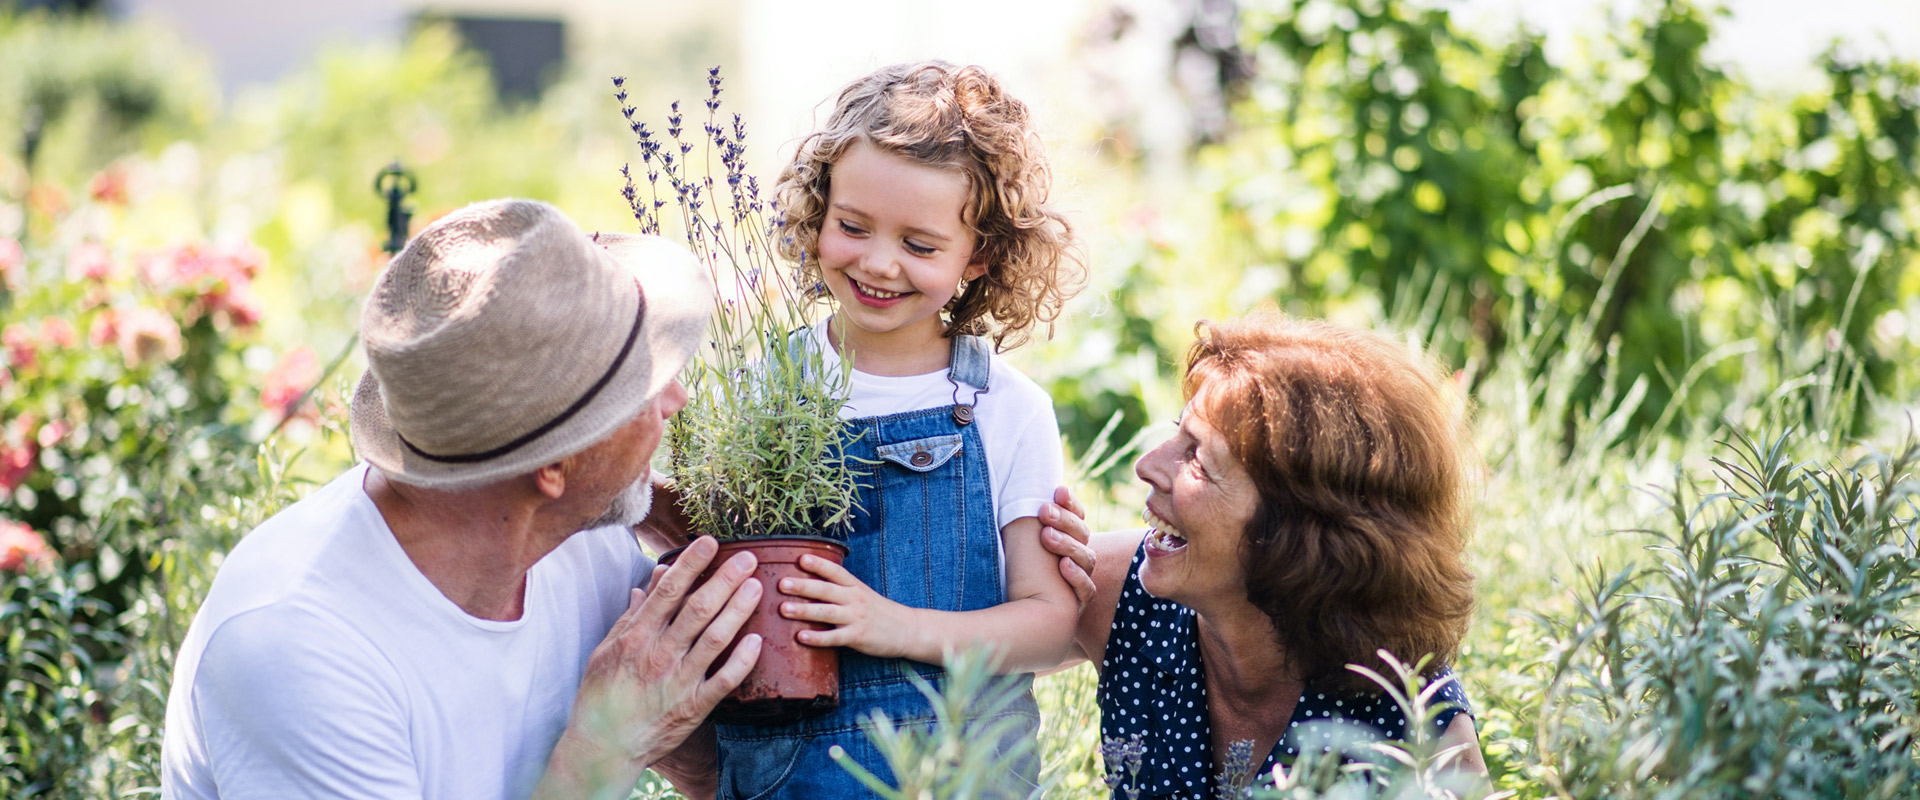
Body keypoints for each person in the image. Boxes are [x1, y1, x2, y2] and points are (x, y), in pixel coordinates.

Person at [160, 199, 767, 800]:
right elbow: (621, 739)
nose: (677, 398)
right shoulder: (299, 646)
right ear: (553, 466)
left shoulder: (576, 542)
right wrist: (607, 747)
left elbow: (716, 774)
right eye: (644, 383)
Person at [669, 60, 1087, 799]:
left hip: (961, 772)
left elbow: (1052, 625)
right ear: (820, 212)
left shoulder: (1005, 407)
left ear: (980, 254)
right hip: (789, 773)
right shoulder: (762, 384)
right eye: (852, 227)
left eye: (920, 246)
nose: (879, 263)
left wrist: (892, 626)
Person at [1035, 312, 1486, 798]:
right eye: (1177, 434)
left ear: (1298, 529)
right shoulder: (1118, 591)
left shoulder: (1420, 730)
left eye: (1198, 460)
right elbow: (952, 663)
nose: (1148, 466)